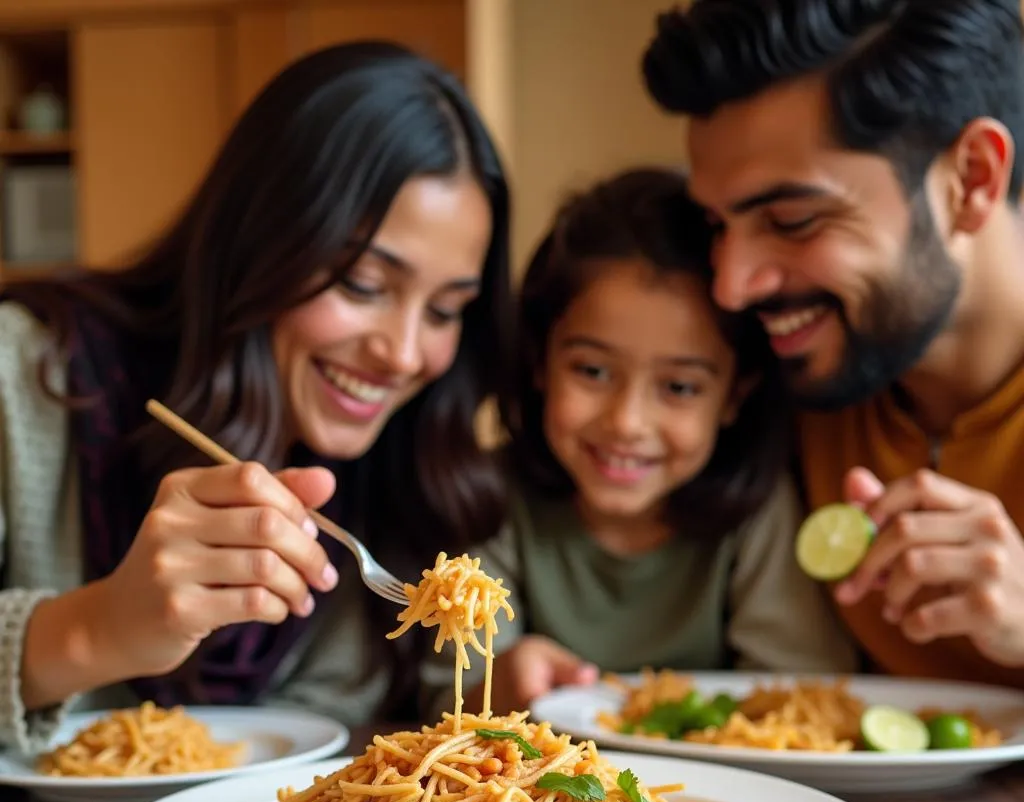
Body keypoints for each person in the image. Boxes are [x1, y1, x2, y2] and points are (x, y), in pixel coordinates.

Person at [0, 40, 512, 754]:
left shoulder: (406, 474)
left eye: (445, 310)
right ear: (259, 243)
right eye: (363, 285)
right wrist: (94, 631)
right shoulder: (20, 374)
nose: (401, 353)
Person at [642, 0, 1024, 685]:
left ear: (971, 179)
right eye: (717, 225)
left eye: (792, 220)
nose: (730, 287)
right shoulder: (775, 378)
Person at [441, 168, 855, 714]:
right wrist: (499, 684)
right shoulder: (490, 496)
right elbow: (444, 696)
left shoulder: (757, 514)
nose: (627, 422)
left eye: (679, 387)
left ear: (735, 394)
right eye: (592, 371)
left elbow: (801, 694)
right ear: (541, 361)